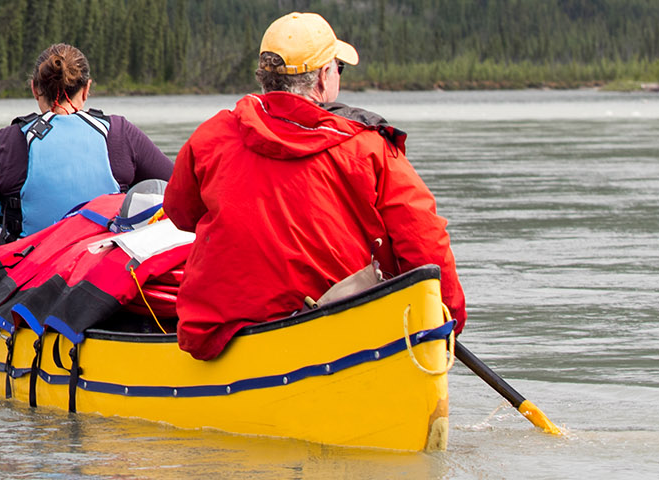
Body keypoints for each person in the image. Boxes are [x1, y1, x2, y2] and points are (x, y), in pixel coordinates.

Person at [164, 12, 466, 361]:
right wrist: (448, 318)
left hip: (224, 332)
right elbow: (423, 238)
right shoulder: (369, 146)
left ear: (266, 77)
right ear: (324, 77)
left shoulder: (210, 136)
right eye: (338, 67)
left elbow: (181, 213)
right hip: (336, 331)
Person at [0, 43, 174, 279]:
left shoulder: (10, 140)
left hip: (26, 276)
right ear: (86, 89)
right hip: (102, 273)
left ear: (35, 89)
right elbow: (178, 188)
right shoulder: (120, 133)